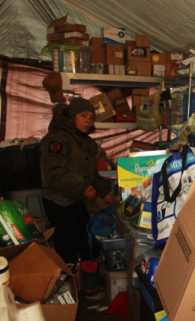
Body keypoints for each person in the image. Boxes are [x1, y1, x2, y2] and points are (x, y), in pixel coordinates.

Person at [40, 96, 113, 298]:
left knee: (85, 238)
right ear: (72, 117)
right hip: (58, 199)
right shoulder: (57, 139)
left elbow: (92, 174)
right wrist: (83, 187)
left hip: (74, 199)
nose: (88, 120)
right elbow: (53, 173)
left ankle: (87, 283)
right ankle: (65, 289)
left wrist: (104, 190)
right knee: (66, 242)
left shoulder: (85, 142)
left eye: (91, 117)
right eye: (83, 115)